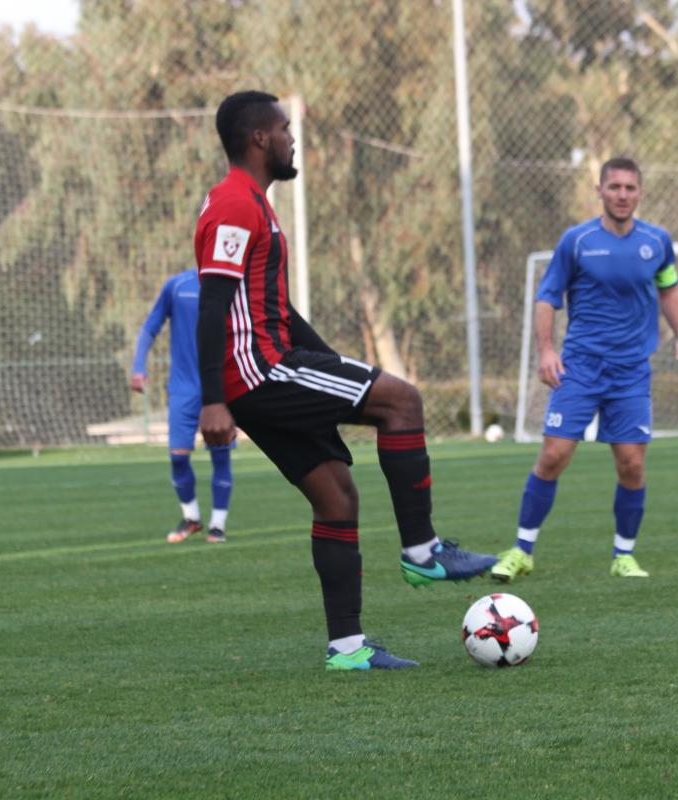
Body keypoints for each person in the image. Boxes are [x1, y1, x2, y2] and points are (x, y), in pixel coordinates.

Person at [195, 91, 497, 671]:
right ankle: (423, 550)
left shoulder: (251, 202)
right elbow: (212, 305)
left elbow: (277, 307)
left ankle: (348, 649)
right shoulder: (234, 203)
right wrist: (212, 401)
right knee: (402, 401)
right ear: (259, 138)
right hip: (261, 372)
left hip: (261, 373)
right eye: (285, 129)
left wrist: (332, 363)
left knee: (336, 496)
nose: (292, 139)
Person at [490, 157, 678, 584]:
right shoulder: (577, 240)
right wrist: (546, 351)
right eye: (614, 187)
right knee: (553, 456)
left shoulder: (657, 241)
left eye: (630, 188)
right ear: (599, 190)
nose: (622, 195)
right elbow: (547, 297)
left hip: (632, 372)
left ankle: (624, 555)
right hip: (581, 367)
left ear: (640, 193)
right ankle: (521, 551)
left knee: (631, 465)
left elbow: (669, 290)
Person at [132, 269, 234, 543]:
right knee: (178, 457)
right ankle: (192, 518)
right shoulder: (177, 285)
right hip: (183, 388)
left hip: (219, 387)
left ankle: (217, 525)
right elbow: (151, 326)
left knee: (220, 455)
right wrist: (138, 366)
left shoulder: (231, 283)